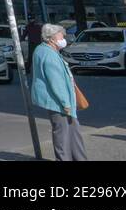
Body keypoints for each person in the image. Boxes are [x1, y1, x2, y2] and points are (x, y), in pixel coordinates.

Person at [30, 22, 88, 161]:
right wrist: (65, 103)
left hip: (60, 101)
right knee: (63, 134)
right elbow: (56, 82)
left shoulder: (44, 50)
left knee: (72, 132)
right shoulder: (48, 54)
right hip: (59, 103)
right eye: (61, 36)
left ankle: (79, 158)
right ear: (51, 38)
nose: (64, 39)